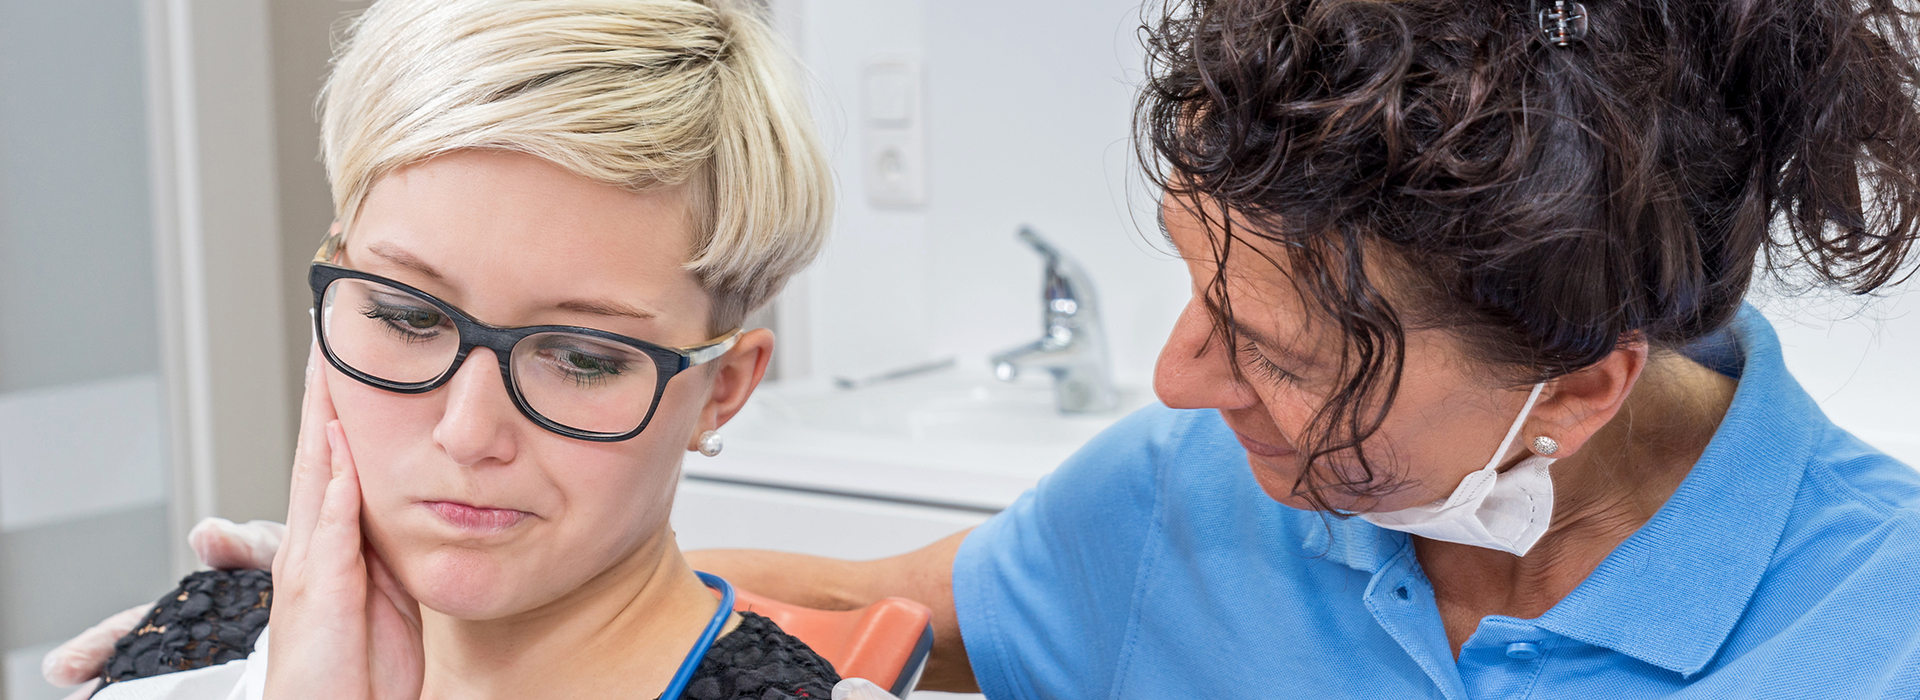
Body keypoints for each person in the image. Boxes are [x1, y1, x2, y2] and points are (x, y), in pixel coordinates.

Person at [46, 0, 1920, 697]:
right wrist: (380, 569)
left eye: (1275, 356)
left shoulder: (1880, 632)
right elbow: (873, 598)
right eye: (1191, 287)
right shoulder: (1185, 504)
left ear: (1575, 386)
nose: (1180, 382)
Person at [41, 0, 846, 698]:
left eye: (582, 358)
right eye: (405, 316)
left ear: (723, 389)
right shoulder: (199, 645)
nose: (467, 432)